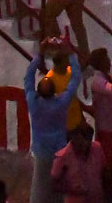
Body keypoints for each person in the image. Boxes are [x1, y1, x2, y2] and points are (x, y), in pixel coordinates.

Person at [26, 46, 83, 203]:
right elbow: (76, 78)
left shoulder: (33, 102)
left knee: (39, 188)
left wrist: (40, 54)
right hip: (60, 150)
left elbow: (28, 78)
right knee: (59, 188)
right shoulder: (61, 103)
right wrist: (71, 54)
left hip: (42, 151)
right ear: (54, 93)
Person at [81, 48, 112, 170]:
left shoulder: (107, 77)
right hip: (106, 127)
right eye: (106, 60)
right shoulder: (97, 80)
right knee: (107, 160)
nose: (109, 62)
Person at [51, 125, 103, 203]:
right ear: (74, 139)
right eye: (81, 143)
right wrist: (73, 190)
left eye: (88, 141)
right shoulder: (62, 157)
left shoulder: (97, 148)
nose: (85, 145)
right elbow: (54, 184)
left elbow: (104, 172)